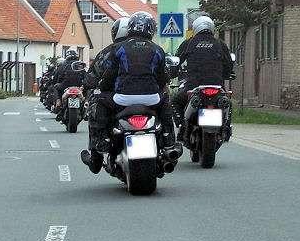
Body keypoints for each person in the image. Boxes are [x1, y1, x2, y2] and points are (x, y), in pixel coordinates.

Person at [82, 11, 176, 174]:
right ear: (151, 29)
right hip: (151, 99)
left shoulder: (118, 48)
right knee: (165, 102)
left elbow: (109, 74)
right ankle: (168, 138)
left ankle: (103, 140)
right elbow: (162, 78)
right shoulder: (157, 49)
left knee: (99, 100)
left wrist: (103, 88)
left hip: (123, 98)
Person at [171, 15, 234, 125]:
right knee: (228, 103)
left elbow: (177, 61)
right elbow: (228, 65)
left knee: (175, 101)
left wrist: (173, 72)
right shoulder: (220, 44)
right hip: (217, 87)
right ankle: (226, 127)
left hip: (193, 86)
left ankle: (182, 126)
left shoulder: (188, 43)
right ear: (212, 28)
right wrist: (225, 74)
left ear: (196, 28)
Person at [84, 17, 129, 158]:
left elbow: (91, 78)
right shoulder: (148, 48)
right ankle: (167, 141)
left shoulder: (108, 52)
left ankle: (98, 148)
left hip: (114, 99)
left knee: (95, 106)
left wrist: (90, 87)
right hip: (146, 97)